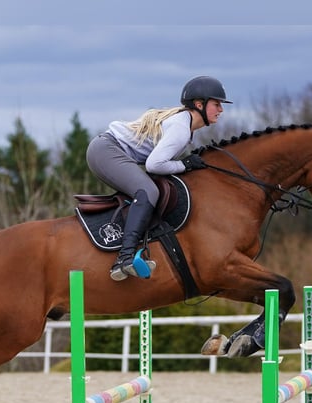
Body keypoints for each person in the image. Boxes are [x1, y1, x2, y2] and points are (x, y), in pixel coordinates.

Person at [86, 75, 232, 281]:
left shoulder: (185, 124)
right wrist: (185, 165)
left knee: (150, 189)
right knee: (148, 191)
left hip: (106, 149)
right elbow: (154, 165)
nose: (221, 110)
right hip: (106, 151)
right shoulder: (181, 129)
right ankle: (124, 258)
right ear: (199, 104)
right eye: (217, 104)